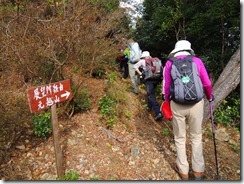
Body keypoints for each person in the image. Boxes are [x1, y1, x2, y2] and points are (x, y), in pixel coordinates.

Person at [162, 40, 213, 180]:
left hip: (177, 104)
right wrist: (209, 96)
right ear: (189, 50)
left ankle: (183, 171)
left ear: (175, 50)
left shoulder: (169, 63)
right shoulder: (196, 61)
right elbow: (207, 83)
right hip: (196, 104)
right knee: (196, 136)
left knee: (179, 138)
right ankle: (198, 171)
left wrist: (167, 102)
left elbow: (166, 88)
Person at [134, 51, 163, 121]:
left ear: (143, 56)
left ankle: (158, 112)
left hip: (149, 80)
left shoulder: (142, 61)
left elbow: (135, 67)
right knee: (151, 93)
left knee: (151, 95)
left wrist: (140, 73)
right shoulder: (154, 60)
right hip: (157, 79)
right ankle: (149, 107)